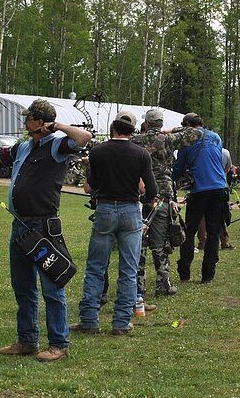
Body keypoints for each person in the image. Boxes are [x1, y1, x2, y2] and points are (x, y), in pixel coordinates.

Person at [0, 98, 92, 362]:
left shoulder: (57, 146)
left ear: (39, 121)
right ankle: (27, 341)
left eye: (29, 118)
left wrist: (56, 126)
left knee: (52, 287)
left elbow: (84, 137)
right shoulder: (24, 147)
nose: (25, 122)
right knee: (23, 286)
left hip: (44, 226)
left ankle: (59, 344)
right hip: (21, 225)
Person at [75, 111, 157, 336]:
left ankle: (90, 319)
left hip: (104, 209)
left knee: (95, 267)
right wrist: (143, 195)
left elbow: (89, 187)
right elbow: (152, 190)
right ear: (131, 132)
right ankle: (121, 322)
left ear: (112, 129)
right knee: (129, 269)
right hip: (130, 210)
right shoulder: (141, 154)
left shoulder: (98, 151)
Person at [130, 109, 203, 298]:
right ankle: (163, 284)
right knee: (160, 240)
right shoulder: (168, 139)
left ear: (146, 123)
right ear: (160, 124)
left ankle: (139, 286)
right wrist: (169, 132)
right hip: (163, 196)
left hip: (140, 193)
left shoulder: (135, 140)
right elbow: (197, 133)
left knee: (140, 241)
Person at [172, 113, 229, 283]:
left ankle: (185, 272)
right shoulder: (216, 137)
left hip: (199, 189)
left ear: (188, 125)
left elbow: (179, 167)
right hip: (219, 187)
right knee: (213, 232)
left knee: (189, 231)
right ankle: (208, 275)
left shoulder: (187, 141)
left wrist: (170, 180)